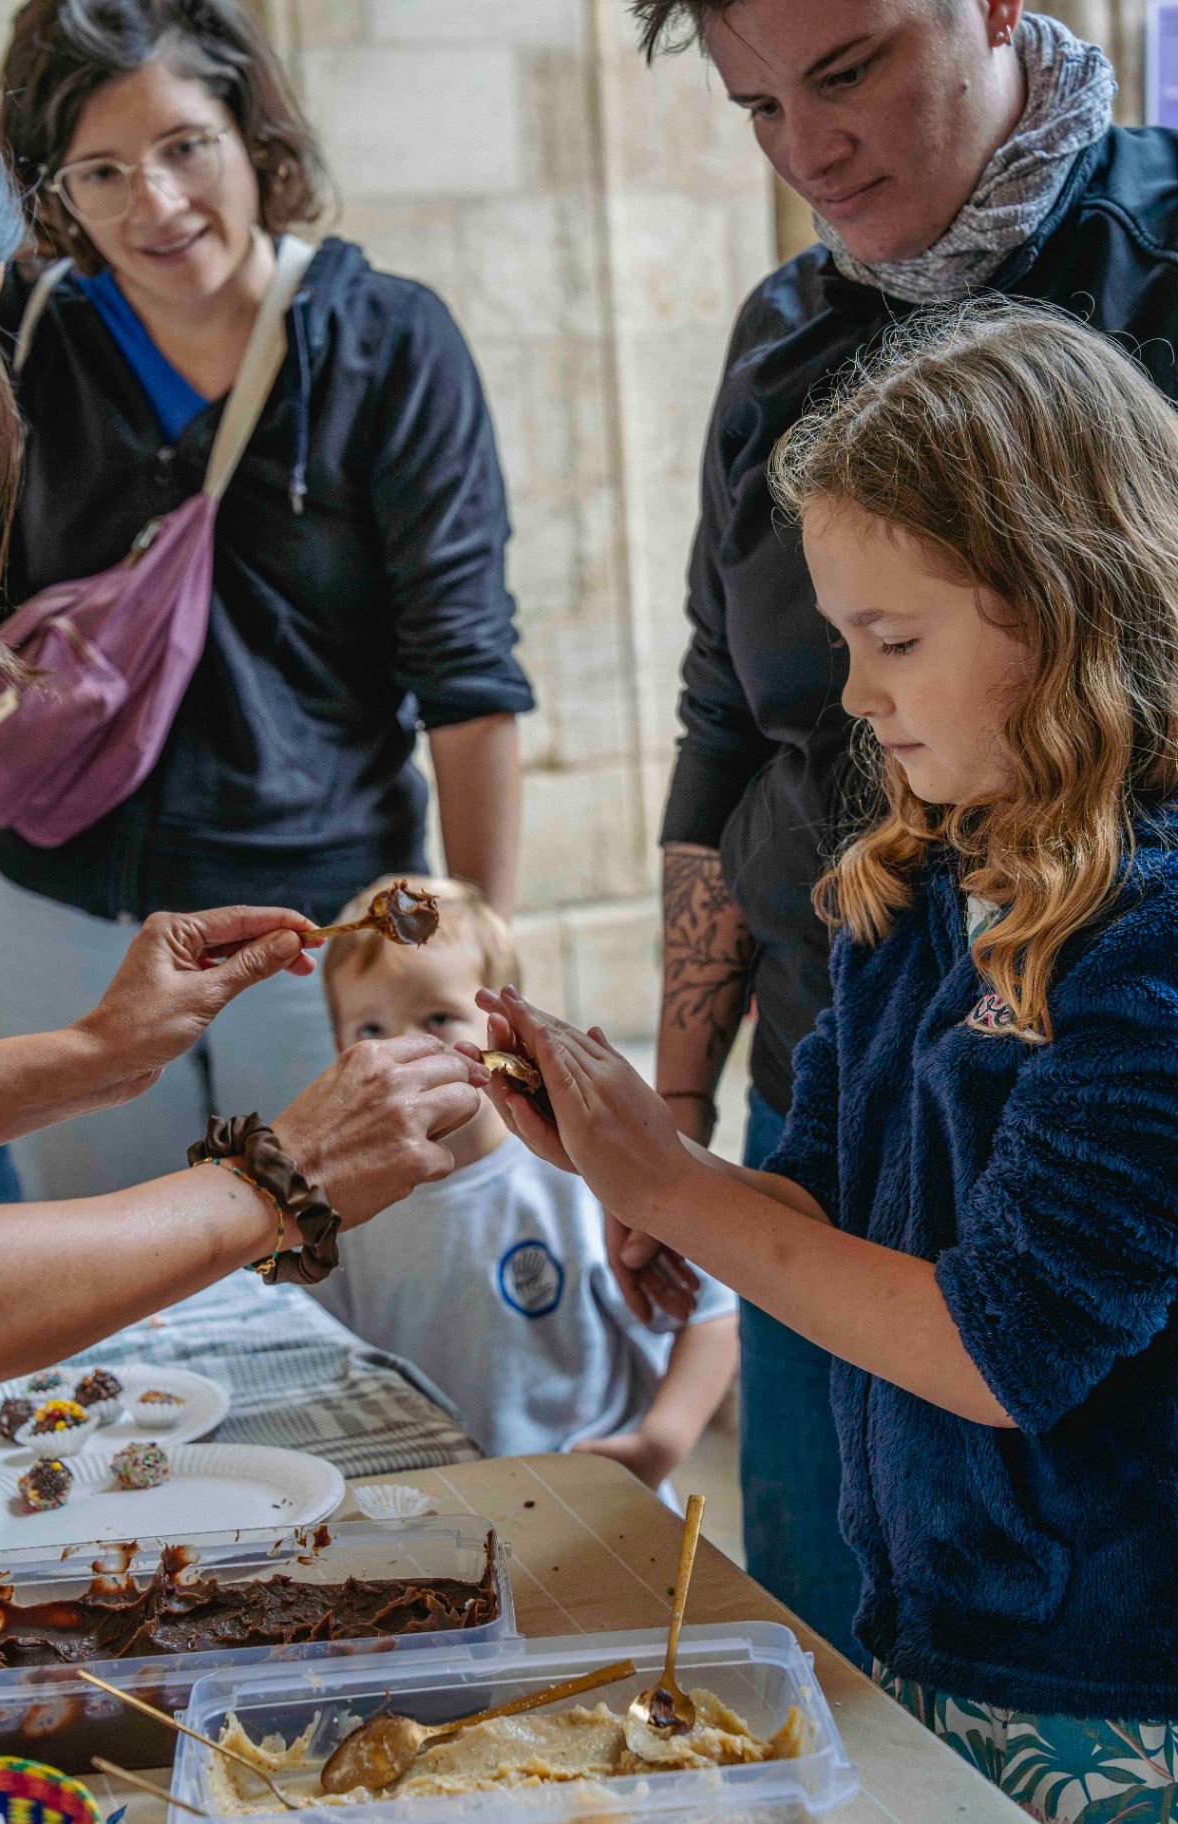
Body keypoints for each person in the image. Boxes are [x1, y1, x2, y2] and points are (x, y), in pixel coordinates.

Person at [478, 301, 1178, 1819]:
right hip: (932, 1622)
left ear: (1062, 604)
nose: (856, 696)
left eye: (895, 642)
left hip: (1119, 1685)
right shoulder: (916, 881)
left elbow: (1000, 1351)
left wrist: (671, 1184)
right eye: (844, 642)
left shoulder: (1152, 934)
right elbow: (820, 1218)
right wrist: (643, 1170)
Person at [629, 0, 1178, 1659]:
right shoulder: (778, 338)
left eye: (847, 70)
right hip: (852, 1070)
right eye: (755, 108)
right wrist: (669, 1113)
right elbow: (724, 723)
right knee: (856, 1627)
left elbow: (1001, 1341)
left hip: (1085, 1091)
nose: (806, 149)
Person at [0, 93, 488, 1392]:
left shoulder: (381, 337)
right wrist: (271, 1185)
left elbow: (470, 665)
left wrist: (91, 1058)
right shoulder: (55, 342)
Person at [313, 875, 738, 1494]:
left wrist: (660, 1442)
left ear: (501, 1031)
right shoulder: (345, 1202)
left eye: (437, 1017)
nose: (404, 1050)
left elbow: (713, 1311)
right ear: (340, 1050)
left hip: (593, 1504)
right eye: (370, 1030)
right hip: (429, 1508)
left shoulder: (581, 1173)